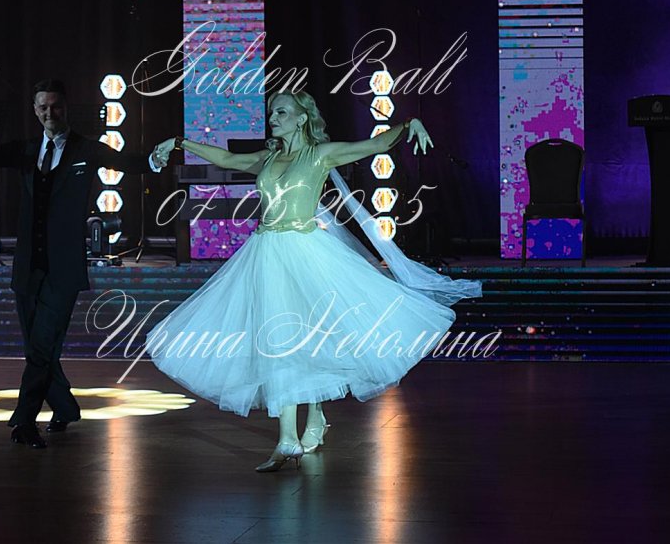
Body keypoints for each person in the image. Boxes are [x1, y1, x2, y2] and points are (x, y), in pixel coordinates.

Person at [148, 90, 481, 472]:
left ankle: (290, 438)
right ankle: (307, 424)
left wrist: (408, 124)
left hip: (304, 251)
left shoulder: (320, 155)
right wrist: (179, 142)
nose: (273, 118)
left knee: (298, 336)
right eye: (272, 112)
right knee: (286, 339)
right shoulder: (268, 157)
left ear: (302, 118)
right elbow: (225, 158)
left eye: (282, 112)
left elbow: (373, 145)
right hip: (266, 253)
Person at [0, 79, 168, 449]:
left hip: (64, 268)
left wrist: (156, 157)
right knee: (38, 348)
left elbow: (131, 163)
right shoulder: (25, 150)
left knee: (41, 347)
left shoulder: (87, 149)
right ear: (35, 110)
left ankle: (24, 421)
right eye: (43, 107)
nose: (49, 113)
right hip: (27, 265)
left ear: (65, 108)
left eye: (55, 106)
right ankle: (65, 407)